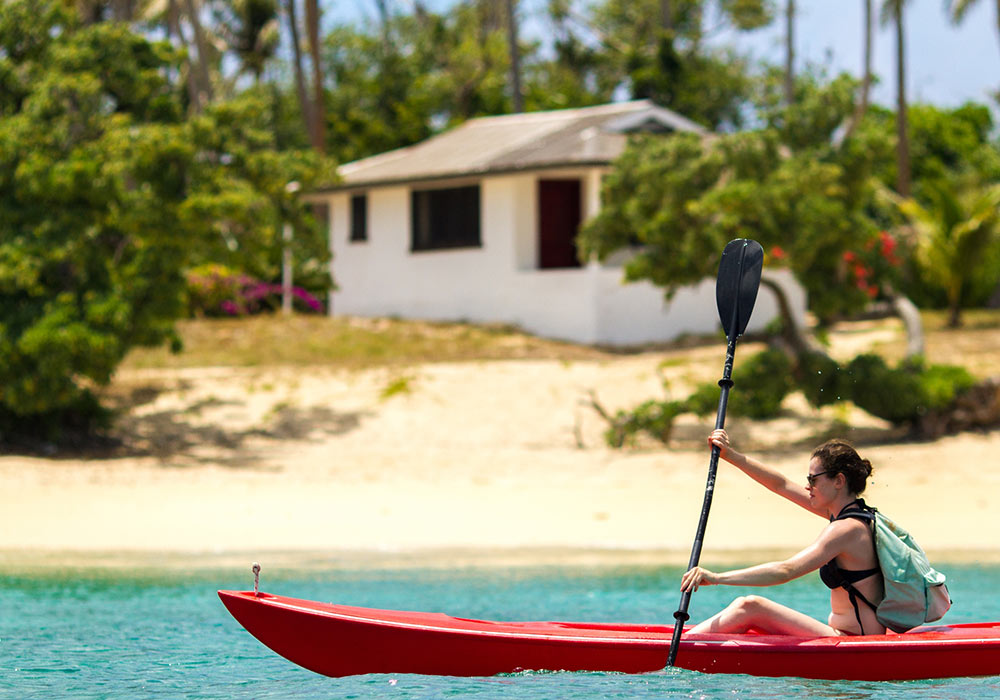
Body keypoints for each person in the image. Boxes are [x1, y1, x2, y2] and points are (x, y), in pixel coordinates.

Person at [679, 429, 885, 637]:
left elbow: (786, 570)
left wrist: (715, 577)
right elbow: (781, 485)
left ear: (839, 481)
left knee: (749, 606)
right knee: (749, 609)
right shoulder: (853, 516)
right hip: (844, 635)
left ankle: (681, 648)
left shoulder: (845, 529)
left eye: (813, 479)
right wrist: (730, 455)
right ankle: (686, 644)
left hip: (853, 641)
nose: (807, 486)